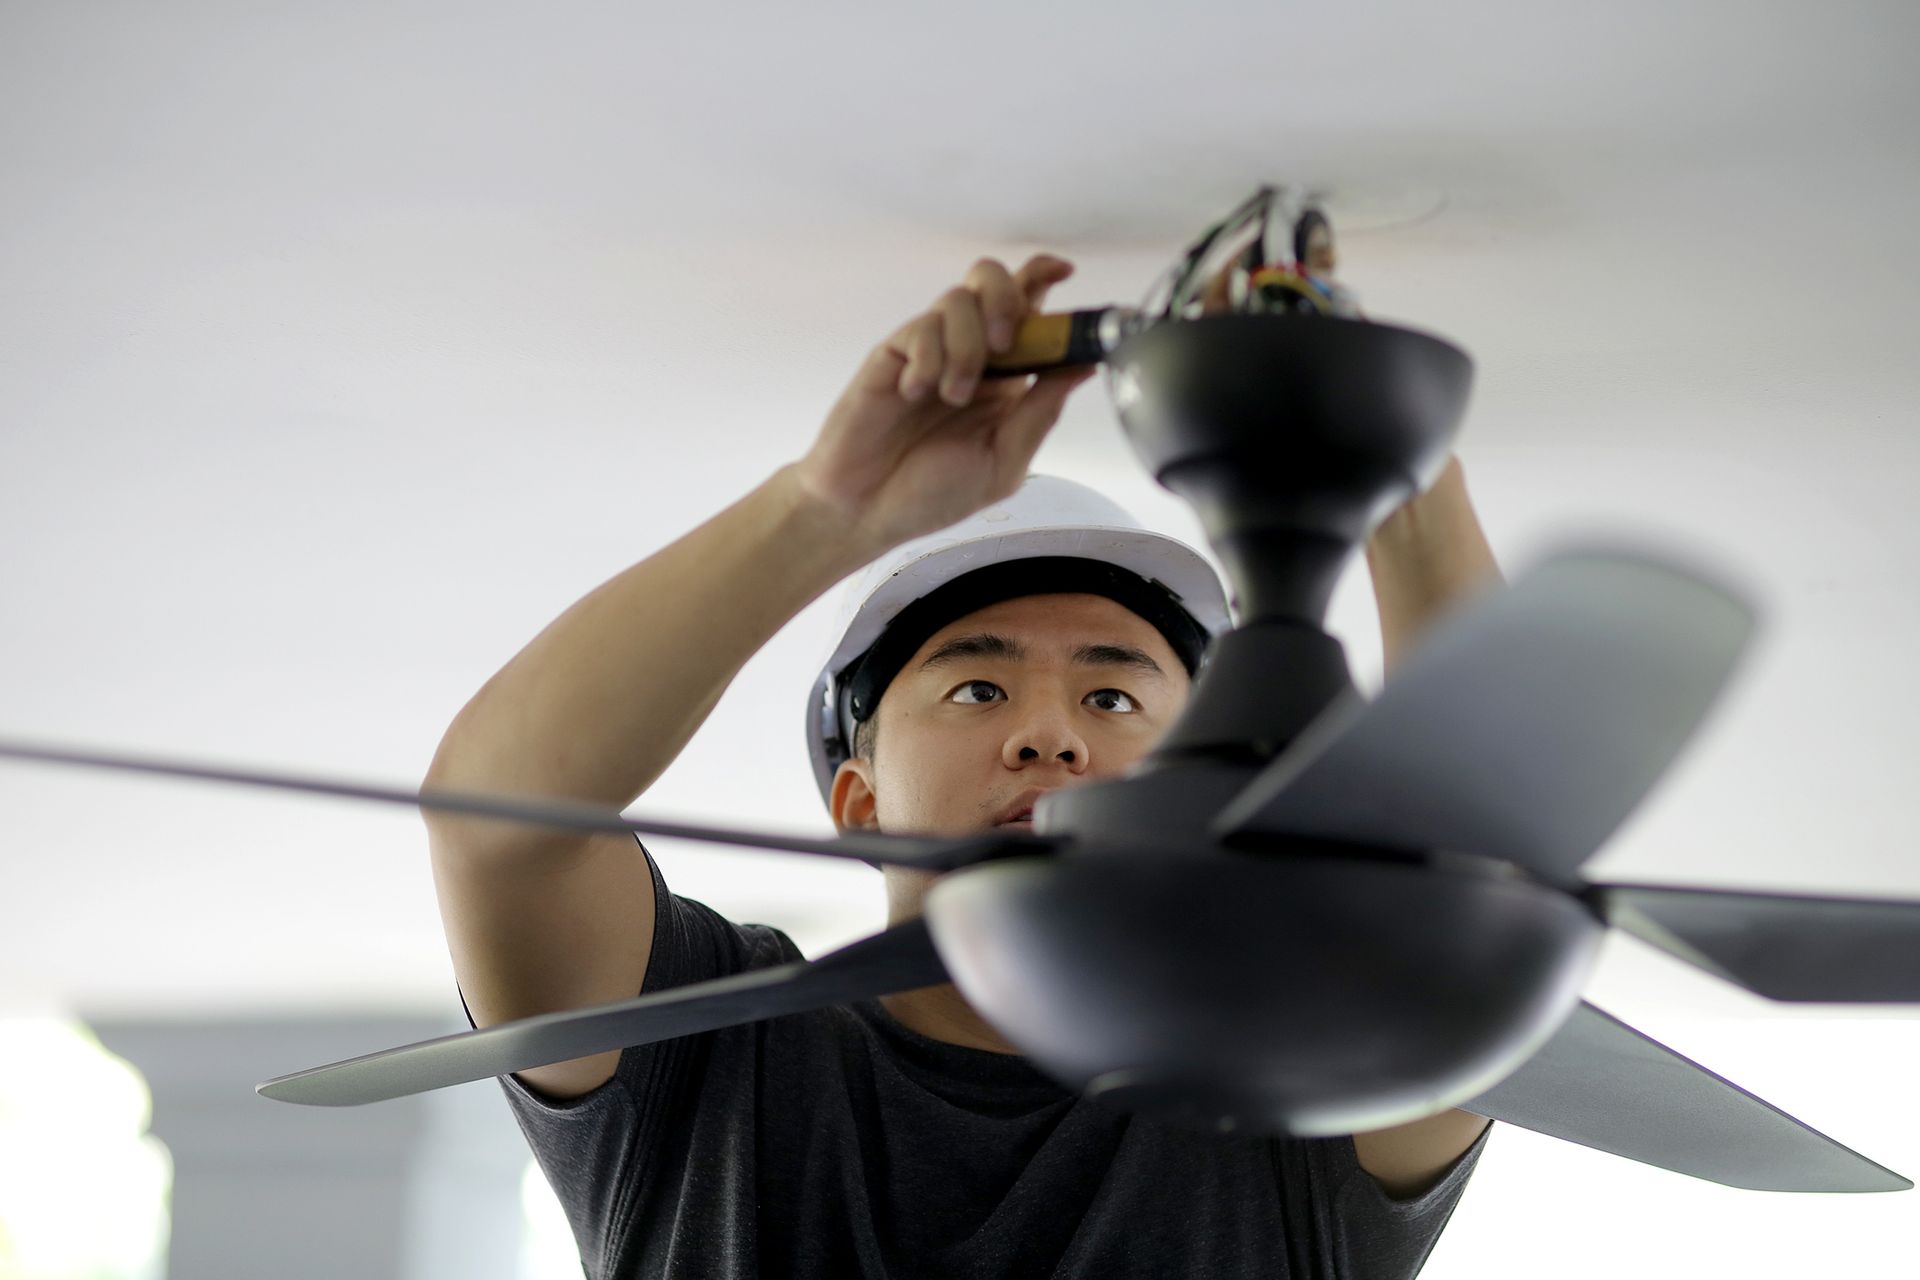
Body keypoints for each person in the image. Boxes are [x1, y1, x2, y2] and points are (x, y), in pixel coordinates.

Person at [423, 253, 1503, 1279]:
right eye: (978, 688)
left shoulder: (1300, 1078)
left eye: (1114, 694)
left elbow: (1491, 886)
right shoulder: (709, 1049)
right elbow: (502, 826)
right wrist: (826, 508)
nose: (1052, 737)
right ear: (859, 797)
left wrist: (1384, 458)